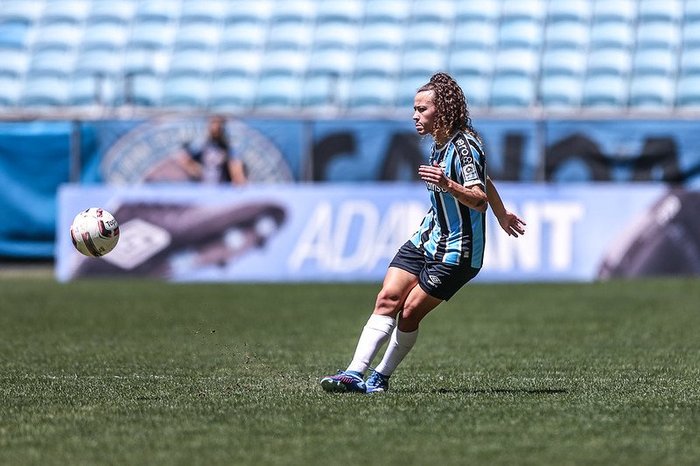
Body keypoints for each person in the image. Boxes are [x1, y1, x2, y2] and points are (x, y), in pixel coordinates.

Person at [320, 72, 526, 394]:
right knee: (387, 298)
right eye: (414, 109)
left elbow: (478, 197)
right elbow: (484, 182)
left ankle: (381, 376)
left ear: (442, 110)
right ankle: (354, 372)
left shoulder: (464, 147)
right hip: (427, 238)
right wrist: (502, 214)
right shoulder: (439, 144)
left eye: (422, 109)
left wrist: (451, 186)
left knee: (411, 311)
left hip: (459, 253)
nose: (415, 116)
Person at [177, 115, 247, 186]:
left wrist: (238, 180)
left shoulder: (227, 147)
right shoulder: (201, 144)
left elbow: (235, 166)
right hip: (202, 187)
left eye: (220, 124)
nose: (216, 127)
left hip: (221, 188)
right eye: (213, 123)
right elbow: (183, 158)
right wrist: (197, 170)